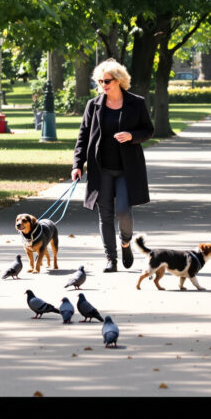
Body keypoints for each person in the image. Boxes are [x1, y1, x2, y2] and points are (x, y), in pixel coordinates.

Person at [72, 59, 154, 273]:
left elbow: (148, 130)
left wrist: (131, 136)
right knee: (105, 214)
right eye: (99, 81)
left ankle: (125, 243)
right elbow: (83, 137)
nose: (103, 84)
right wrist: (77, 164)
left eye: (107, 80)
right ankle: (111, 258)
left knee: (124, 211)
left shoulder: (136, 103)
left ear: (118, 80)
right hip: (101, 169)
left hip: (128, 169)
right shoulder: (94, 105)